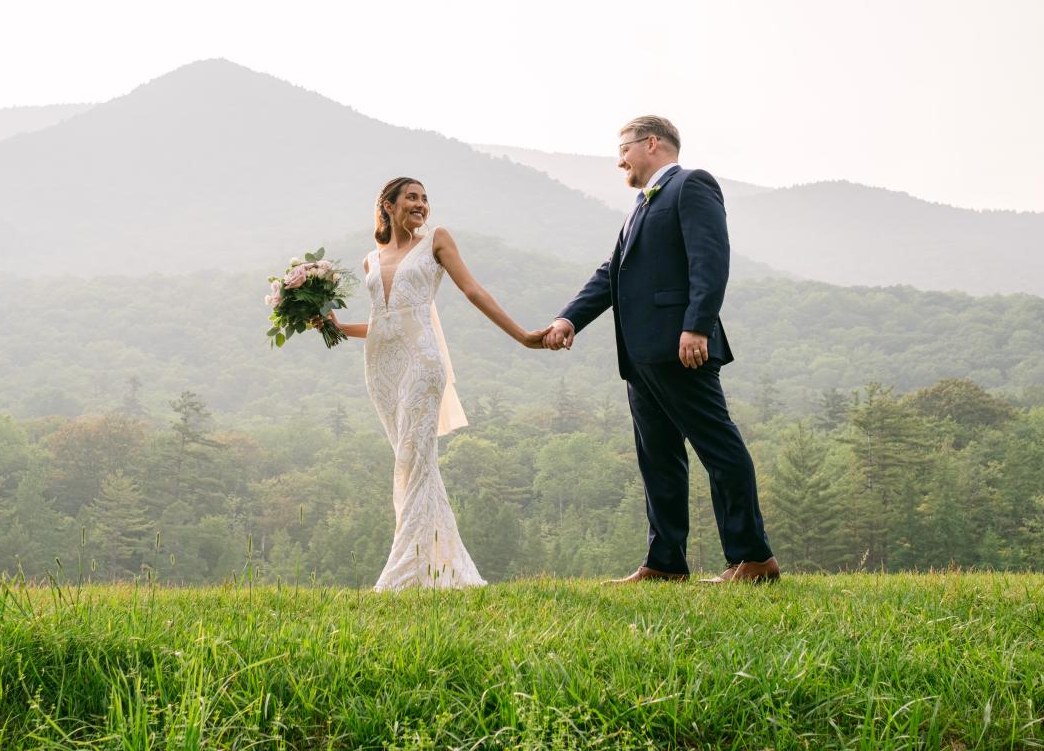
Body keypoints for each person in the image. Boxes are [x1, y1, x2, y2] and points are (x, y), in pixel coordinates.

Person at [543, 117, 780, 583]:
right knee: (659, 458)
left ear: (651, 143)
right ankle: (666, 562)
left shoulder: (692, 185)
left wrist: (697, 327)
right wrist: (570, 317)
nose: (619, 159)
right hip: (640, 357)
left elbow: (711, 260)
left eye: (624, 149)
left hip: (681, 348)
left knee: (719, 447)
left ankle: (753, 558)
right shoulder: (638, 205)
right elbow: (613, 272)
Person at [327, 176, 546, 590]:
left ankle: (402, 573)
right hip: (380, 369)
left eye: (425, 199)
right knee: (410, 464)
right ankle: (435, 568)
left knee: (415, 458)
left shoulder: (436, 242)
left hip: (423, 363)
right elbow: (379, 323)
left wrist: (522, 335)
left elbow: (473, 291)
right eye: (412, 197)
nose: (421, 204)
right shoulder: (370, 260)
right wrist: (335, 326)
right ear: (387, 206)